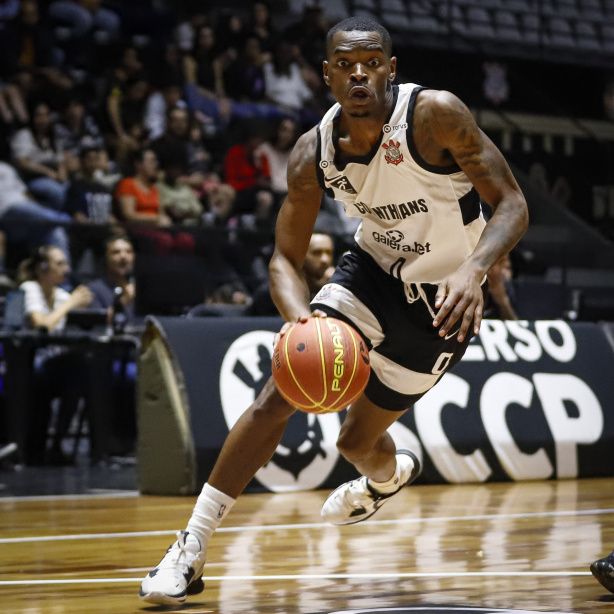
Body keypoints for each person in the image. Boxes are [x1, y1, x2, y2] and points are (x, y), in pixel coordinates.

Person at [139, 17, 528, 606]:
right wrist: (304, 323)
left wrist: (475, 271)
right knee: (278, 395)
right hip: (371, 273)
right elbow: (283, 261)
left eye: (371, 62)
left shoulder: (435, 115)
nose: (359, 74)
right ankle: (189, 548)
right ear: (326, 76)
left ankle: (387, 475)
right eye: (345, 64)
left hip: (445, 302)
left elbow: (514, 205)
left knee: (355, 443)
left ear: (390, 69)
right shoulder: (312, 152)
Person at [17, 245, 93, 465]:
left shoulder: (61, 294)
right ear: (42, 267)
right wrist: (71, 303)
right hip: (28, 361)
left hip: (54, 360)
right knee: (73, 372)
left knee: (79, 373)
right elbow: (42, 325)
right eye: (59, 263)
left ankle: (58, 442)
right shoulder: (29, 288)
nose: (66, 269)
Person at [250, 231, 334, 316]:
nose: (325, 259)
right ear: (299, 255)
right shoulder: (272, 293)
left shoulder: (335, 288)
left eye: (329, 253)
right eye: (316, 253)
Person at [484, 252, 518, 320]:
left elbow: (514, 324)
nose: (507, 264)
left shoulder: (506, 286)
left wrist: (502, 300)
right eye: (501, 261)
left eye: (508, 259)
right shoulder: (470, 285)